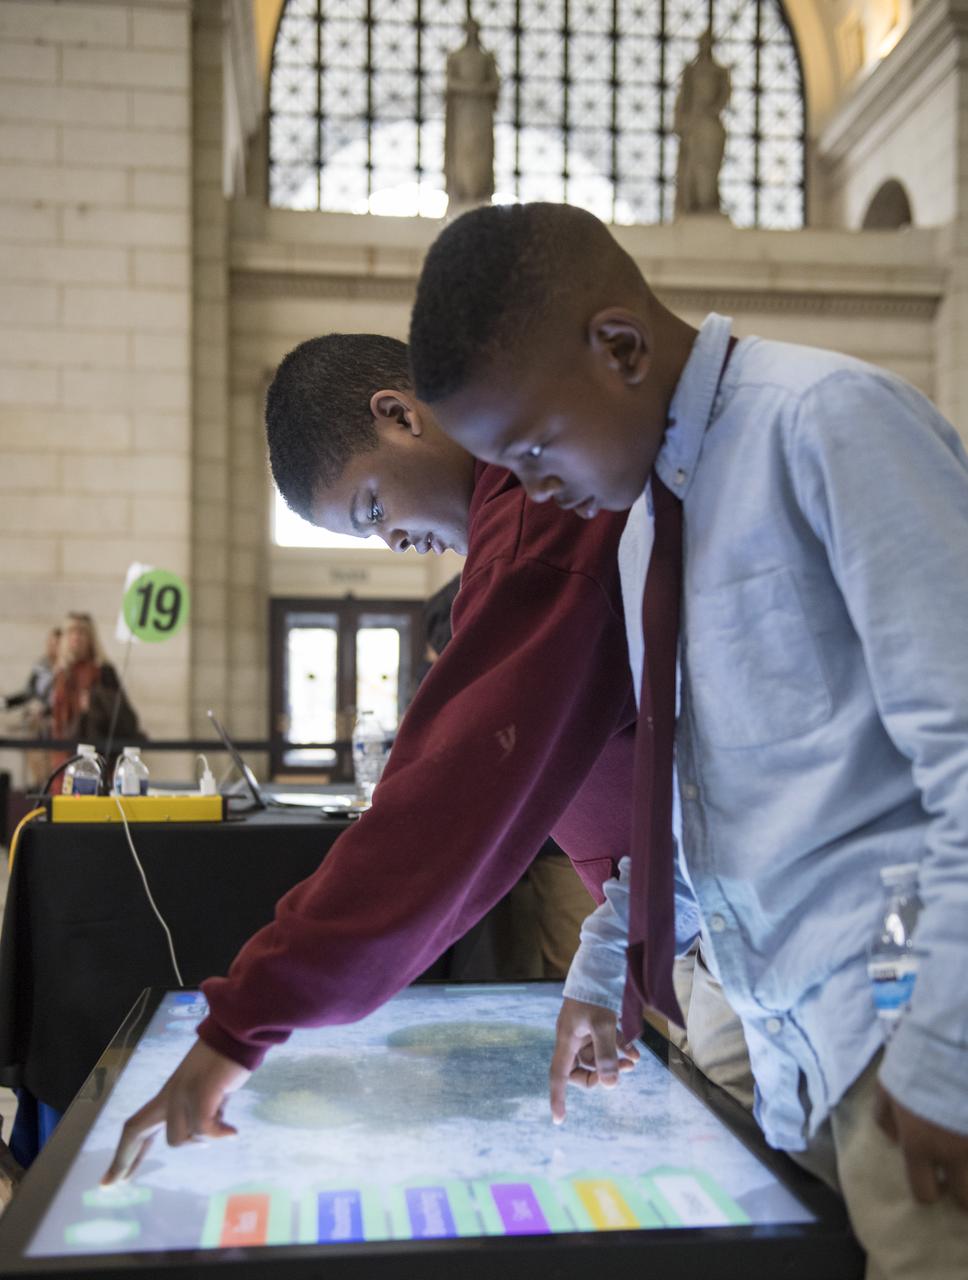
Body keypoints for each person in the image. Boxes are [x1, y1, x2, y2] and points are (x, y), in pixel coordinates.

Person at [406, 200, 968, 1277]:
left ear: (617, 347)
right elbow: (690, 806)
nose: (529, 491)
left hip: (903, 1021)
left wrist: (940, 1049)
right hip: (799, 1044)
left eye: (528, 448)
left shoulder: (824, 421)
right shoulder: (644, 527)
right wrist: (598, 969)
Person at [103, 331, 642, 1183]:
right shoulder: (512, 535)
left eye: (371, 509)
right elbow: (665, 797)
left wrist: (243, 1025)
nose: (392, 541)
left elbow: (446, 808)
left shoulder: (543, 522)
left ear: (400, 414)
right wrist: (617, 960)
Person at [49, 612, 141, 789]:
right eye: (71, 632)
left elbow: (124, 718)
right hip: (65, 755)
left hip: (98, 753)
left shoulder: (103, 672)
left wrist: (94, 701)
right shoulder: (60, 674)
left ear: (90, 637)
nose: (76, 637)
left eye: (82, 632)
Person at [673, 28, 730, 217]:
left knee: (709, 167)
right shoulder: (691, 72)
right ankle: (694, 204)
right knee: (693, 168)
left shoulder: (720, 72)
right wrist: (681, 122)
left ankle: (709, 203)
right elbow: (683, 97)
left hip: (710, 126)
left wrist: (712, 109)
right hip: (693, 126)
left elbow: (725, 93)